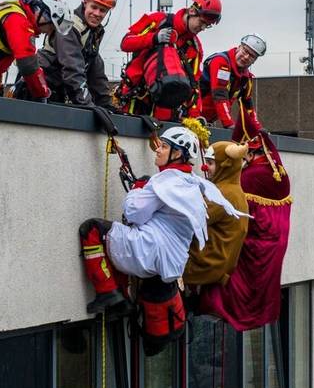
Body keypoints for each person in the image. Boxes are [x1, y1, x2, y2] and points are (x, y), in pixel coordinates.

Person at [78, 123, 247, 353]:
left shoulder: (163, 182)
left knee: (92, 230)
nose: (158, 150)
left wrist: (138, 190)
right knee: (120, 239)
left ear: (177, 154)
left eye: (164, 147)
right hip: (171, 264)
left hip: (146, 254)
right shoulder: (195, 183)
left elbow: (132, 213)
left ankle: (108, 294)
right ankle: (119, 291)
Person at [199, 131, 292, 330]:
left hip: (256, 244)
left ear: (250, 153)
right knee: (262, 289)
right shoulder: (279, 172)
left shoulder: (249, 176)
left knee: (235, 283)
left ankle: (216, 306)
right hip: (276, 245)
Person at [114, 0, 222, 121]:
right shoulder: (158, 20)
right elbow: (126, 43)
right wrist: (153, 38)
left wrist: (195, 116)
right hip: (134, 97)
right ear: (192, 11)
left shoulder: (195, 48)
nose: (203, 28)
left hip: (165, 105)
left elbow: (194, 85)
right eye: (202, 22)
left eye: (207, 25)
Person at [13, 0, 118, 108]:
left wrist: (107, 107)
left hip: (55, 93)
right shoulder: (70, 26)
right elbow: (72, 68)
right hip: (36, 89)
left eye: (102, 10)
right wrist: (88, 104)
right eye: (94, 7)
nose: (97, 13)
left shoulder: (93, 34)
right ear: (85, 3)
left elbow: (97, 75)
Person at [183, 141, 250, 288]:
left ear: (226, 166)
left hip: (206, 264)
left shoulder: (223, 194)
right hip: (218, 263)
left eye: (211, 163)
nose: (205, 167)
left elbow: (189, 220)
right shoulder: (232, 189)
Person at [199, 34, 267, 138]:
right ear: (239, 47)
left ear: (254, 60)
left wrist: (257, 128)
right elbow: (219, 95)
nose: (246, 57)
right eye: (245, 51)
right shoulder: (221, 62)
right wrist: (229, 124)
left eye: (252, 56)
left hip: (206, 122)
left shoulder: (246, 78)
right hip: (191, 115)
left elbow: (247, 104)